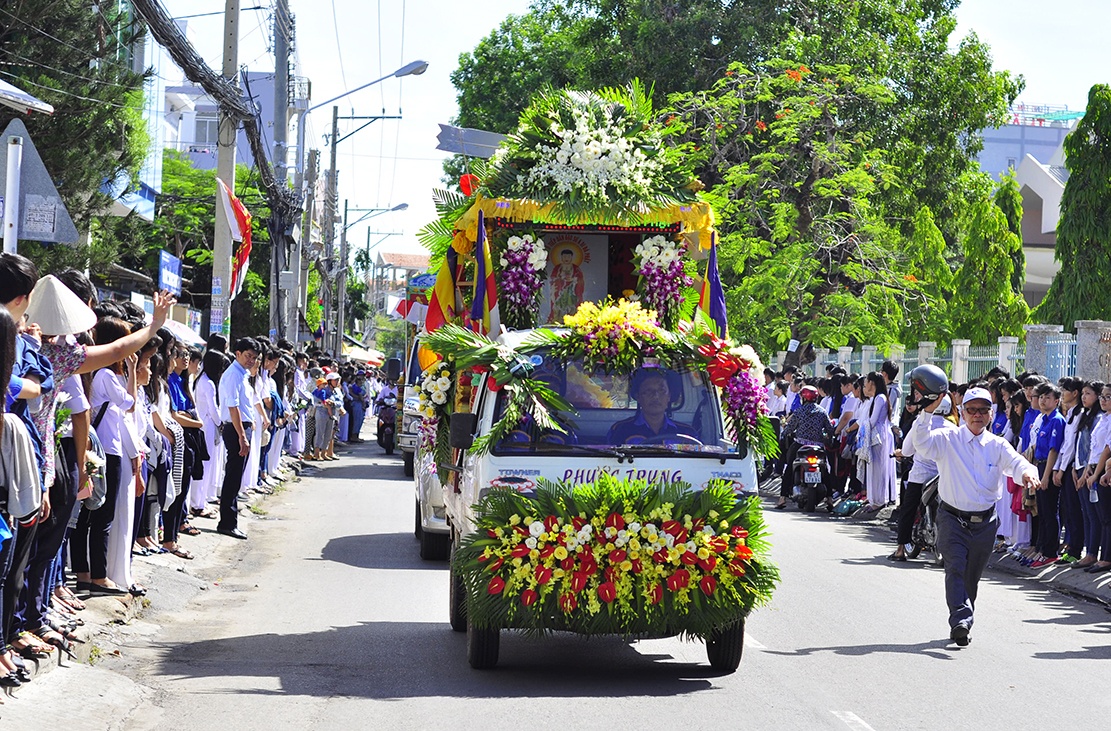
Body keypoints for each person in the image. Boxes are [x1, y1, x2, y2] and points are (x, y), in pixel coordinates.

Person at [907, 366, 1039, 646]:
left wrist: (1029, 474)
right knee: (954, 567)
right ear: (963, 412)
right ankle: (961, 619)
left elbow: (1018, 463)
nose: (977, 415)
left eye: (983, 410)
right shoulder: (947, 439)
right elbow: (922, 444)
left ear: (992, 413)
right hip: (952, 519)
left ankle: (963, 616)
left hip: (986, 524)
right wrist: (926, 411)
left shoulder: (998, 445)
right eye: (971, 410)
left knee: (971, 575)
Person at [216, 338, 260, 539]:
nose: (251, 360)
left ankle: (230, 521)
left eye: (254, 357)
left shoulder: (243, 374)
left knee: (236, 477)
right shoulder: (233, 374)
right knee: (233, 477)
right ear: (238, 353)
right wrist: (242, 436)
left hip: (242, 427)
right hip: (236, 429)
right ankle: (227, 522)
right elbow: (233, 407)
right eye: (248, 356)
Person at [776, 384, 834, 509]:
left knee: (789, 470)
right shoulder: (822, 411)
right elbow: (830, 429)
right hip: (818, 447)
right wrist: (829, 438)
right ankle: (830, 499)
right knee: (826, 471)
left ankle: (782, 498)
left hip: (800, 444)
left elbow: (790, 428)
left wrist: (784, 434)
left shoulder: (799, 411)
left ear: (804, 398)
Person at [607, 368, 694, 445]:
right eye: (648, 391)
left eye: (661, 390)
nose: (655, 396)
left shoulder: (687, 432)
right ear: (638, 397)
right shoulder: (620, 430)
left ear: (669, 396)